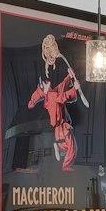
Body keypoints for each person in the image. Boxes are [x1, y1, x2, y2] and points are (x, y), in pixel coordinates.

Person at [27, 34, 84, 169]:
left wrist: (69, 77)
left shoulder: (51, 93)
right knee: (69, 142)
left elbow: (61, 89)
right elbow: (62, 96)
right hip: (59, 120)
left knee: (68, 141)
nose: (47, 83)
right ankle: (65, 162)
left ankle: (63, 156)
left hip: (60, 120)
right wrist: (73, 90)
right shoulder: (51, 96)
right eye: (45, 84)